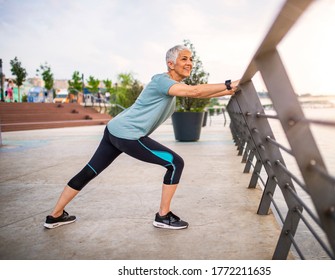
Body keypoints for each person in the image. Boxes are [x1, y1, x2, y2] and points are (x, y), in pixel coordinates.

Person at [43, 45, 240, 230]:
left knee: (90, 170)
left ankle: (55, 216)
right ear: (171, 64)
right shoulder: (162, 81)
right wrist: (229, 83)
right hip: (128, 134)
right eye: (184, 59)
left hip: (115, 130)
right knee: (175, 163)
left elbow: (200, 94)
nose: (190, 63)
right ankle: (163, 216)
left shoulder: (170, 85)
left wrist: (229, 90)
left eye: (191, 59)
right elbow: (195, 91)